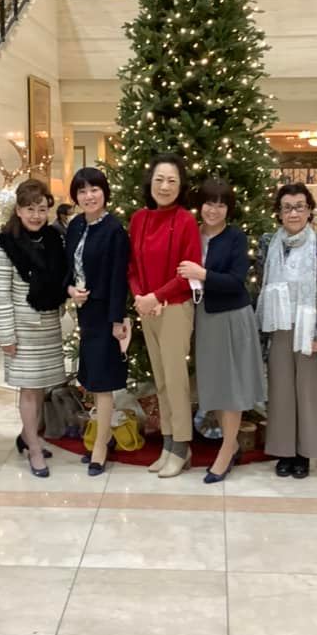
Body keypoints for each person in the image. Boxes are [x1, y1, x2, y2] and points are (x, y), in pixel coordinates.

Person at [177, 178, 265, 483]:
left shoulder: (235, 237)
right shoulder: (192, 233)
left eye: (221, 204)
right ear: (199, 205)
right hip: (203, 317)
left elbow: (236, 281)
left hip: (231, 317)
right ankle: (231, 444)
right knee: (213, 385)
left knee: (231, 388)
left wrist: (202, 273)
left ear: (229, 209)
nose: (214, 210)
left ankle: (228, 448)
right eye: (209, 203)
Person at [257, 183, 317, 479]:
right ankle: (284, 452)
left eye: (299, 207)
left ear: (309, 211)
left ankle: (305, 453)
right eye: (287, 208)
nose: (293, 213)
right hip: (278, 325)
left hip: (310, 327)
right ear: (279, 213)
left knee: (309, 392)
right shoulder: (269, 243)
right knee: (280, 390)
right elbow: (261, 284)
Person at [128, 153, 201, 478]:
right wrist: (141, 298)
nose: (165, 186)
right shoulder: (139, 219)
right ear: (150, 183)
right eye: (159, 179)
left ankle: (182, 446)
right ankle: (169, 445)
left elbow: (188, 271)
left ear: (180, 185)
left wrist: (157, 296)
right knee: (160, 381)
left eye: (172, 180)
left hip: (175, 309)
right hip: (148, 308)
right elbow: (132, 267)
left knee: (175, 381)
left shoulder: (185, 221)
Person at [0, 179, 67, 478]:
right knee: (28, 389)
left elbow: (61, 279)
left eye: (42, 209)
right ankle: (34, 448)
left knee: (41, 387)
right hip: (22, 329)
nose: (36, 215)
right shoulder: (6, 244)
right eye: (30, 209)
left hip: (48, 325)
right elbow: (1, 295)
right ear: (19, 210)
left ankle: (28, 436)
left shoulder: (53, 239)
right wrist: (7, 336)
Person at [65, 168, 129, 476]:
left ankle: (101, 448)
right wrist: (70, 290)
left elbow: (119, 279)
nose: (89, 196)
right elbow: (68, 267)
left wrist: (117, 321)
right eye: (82, 191)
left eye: (94, 189)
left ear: (104, 192)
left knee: (103, 383)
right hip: (85, 311)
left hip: (105, 314)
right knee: (90, 379)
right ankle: (103, 436)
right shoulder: (76, 225)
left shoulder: (114, 230)